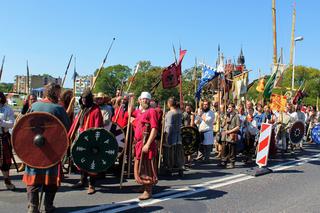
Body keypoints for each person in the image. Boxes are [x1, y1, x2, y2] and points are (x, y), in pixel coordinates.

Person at [22, 83, 71, 213]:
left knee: (33, 179)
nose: (60, 95)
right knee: (51, 180)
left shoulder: (34, 106)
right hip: (51, 150)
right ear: (55, 93)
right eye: (58, 92)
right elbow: (65, 128)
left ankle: (32, 207)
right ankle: (48, 206)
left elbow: (24, 125)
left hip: (33, 149)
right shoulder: (58, 109)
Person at [68, 88, 104, 195]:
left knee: (91, 161)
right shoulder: (82, 109)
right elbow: (77, 123)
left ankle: (91, 185)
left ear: (89, 99)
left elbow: (97, 126)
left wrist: (94, 139)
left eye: (85, 98)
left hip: (91, 139)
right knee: (81, 159)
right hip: (81, 137)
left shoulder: (96, 110)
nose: (83, 100)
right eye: (82, 98)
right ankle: (82, 180)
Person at [132, 92, 158, 200]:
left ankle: (148, 191)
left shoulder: (151, 111)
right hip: (139, 143)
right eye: (143, 99)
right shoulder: (141, 112)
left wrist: (147, 144)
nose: (145, 101)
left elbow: (154, 128)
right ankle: (143, 186)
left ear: (150, 101)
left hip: (146, 144)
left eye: (147, 99)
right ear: (140, 100)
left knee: (146, 167)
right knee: (140, 166)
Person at [163, 97, 184, 176]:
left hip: (171, 135)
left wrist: (166, 136)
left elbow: (169, 126)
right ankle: (179, 166)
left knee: (169, 152)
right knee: (178, 152)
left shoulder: (170, 113)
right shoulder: (179, 112)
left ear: (169, 104)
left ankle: (169, 167)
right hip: (178, 134)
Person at [0, 92, 16, 191]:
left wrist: (1, 122)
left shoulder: (7, 109)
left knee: (5, 162)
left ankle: (7, 181)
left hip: (2, 138)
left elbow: (11, 124)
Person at [219, 103, 240, 168]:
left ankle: (232, 163)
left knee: (232, 150)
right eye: (228, 107)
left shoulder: (236, 116)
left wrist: (230, 131)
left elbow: (238, 127)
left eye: (230, 107)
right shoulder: (226, 115)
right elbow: (222, 126)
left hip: (231, 134)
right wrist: (224, 119)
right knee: (224, 149)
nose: (229, 108)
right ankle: (224, 162)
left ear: (233, 108)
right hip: (225, 135)